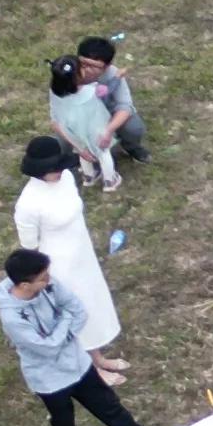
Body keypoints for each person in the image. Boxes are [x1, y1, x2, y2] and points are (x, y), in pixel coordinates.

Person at [0, 248, 158, 426]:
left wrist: (61, 328)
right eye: (42, 278)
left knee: (112, 409)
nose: (49, 280)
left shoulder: (47, 284)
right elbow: (47, 348)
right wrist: (65, 322)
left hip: (80, 365)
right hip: (49, 381)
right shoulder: (12, 317)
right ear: (25, 285)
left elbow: (78, 310)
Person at [12, 137, 125, 383]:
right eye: (54, 169)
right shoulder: (28, 204)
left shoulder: (66, 179)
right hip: (60, 267)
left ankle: (98, 356)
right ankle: (92, 370)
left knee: (92, 306)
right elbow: (29, 246)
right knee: (75, 315)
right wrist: (46, 277)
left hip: (82, 255)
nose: (59, 172)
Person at [46, 55, 120, 192]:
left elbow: (55, 117)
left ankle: (89, 177)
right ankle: (110, 181)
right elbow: (108, 89)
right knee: (103, 153)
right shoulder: (92, 90)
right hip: (96, 130)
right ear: (77, 76)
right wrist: (117, 77)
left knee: (82, 152)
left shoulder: (54, 93)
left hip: (73, 130)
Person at [73, 37, 146, 166]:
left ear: (106, 67)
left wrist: (108, 130)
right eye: (83, 64)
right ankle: (70, 157)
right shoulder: (67, 72)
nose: (86, 69)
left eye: (93, 66)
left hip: (108, 112)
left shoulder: (112, 74)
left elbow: (125, 107)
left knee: (134, 128)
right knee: (62, 137)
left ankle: (131, 147)